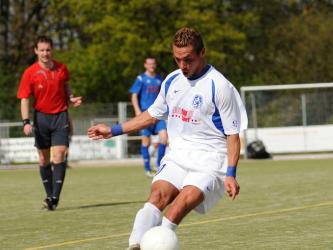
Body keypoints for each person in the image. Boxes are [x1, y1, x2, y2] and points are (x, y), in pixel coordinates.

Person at [88, 27, 247, 249]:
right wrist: (113, 130)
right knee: (156, 199)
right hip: (178, 155)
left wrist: (231, 173)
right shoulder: (172, 80)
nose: (183, 66)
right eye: (177, 59)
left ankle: (160, 240)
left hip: (210, 161)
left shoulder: (219, 86)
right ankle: (133, 245)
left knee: (177, 207)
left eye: (188, 59)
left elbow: (232, 135)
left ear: (202, 52)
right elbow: (151, 116)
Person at [17, 36, 83, 211]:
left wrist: (71, 98)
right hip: (41, 119)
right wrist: (26, 122)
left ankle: (55, 197)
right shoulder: (30, 72)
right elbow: (24, 99)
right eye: (42, 50)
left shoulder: (62, 68)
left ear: (52, 50)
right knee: (43, 158)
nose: (45, 53)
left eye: (48, 50)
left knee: (59, 155)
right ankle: (49, 195)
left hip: (60, 115)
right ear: (36, 51)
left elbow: (66, 86)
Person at [130, 56, 168, 177]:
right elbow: (134, 95)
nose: (152, 66)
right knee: (146, 141)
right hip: (145, 115)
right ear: (145, 65)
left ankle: (158, 166)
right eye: (149, 64)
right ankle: (147, 169)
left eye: (153, 64)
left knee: (164, 138)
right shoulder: (141, 79)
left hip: (158, 115)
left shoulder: (159, 79)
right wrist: (137, 111)